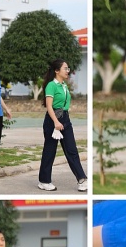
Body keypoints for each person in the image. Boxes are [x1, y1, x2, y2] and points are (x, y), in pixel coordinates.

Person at [37, 59, 88, 192]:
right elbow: (49, 106)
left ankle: (82, 179)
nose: (68, 71)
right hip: (52, 120)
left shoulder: (64, 85)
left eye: (68, 68)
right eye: (65, 68)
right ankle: (44, 181)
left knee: (72, 149)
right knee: (50, 151)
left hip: (65, 118)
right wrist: (56, 122)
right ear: (57, 71)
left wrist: (63, 119)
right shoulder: (51, 85)